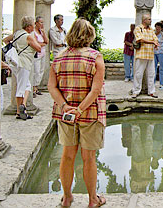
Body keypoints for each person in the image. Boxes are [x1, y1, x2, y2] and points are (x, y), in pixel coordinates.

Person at [48, 18, 107, 208]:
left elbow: (52, 87)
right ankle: (92, 200)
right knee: (89, 157)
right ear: (89, 35)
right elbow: (96, 90)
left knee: (67, 155)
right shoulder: (95, 57)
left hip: (66, 115)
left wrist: (65, 107)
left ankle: (66, 198)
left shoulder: (59, 57)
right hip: (89, 114)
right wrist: (80, 109)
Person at [4, 16, 42, 120]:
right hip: (24, 63)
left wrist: (14, 49)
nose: (34, 27)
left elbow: (5, 40)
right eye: (33, 25)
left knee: (27, 85)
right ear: (29, 26)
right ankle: (20, 109)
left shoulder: (17, 33)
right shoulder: (28, 37)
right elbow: (38, 48)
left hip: (16, 63)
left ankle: (22, 107)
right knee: (21, 87)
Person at [131, 14, 158, 98]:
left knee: (151, 74)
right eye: (149, 19)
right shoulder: (138, 28)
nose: (151, 21)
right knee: (138, 74)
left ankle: (151, 91)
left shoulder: (151, 30)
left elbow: (155, 38)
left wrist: (155, 42)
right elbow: (140, 39)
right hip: (141, 55)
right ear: (144, 20)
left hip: (150, 55)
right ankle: (136, 91)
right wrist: (152, 42)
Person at [32, 16, 49, 97]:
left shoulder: (41, 32)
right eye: (41, 22)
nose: (42, 24)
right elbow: (36, 43)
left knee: (41, 70)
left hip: (43, 53)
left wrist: (43, 32)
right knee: (36, 71)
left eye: (43, 22)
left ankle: (36, 87)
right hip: (37, 54)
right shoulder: (34, 32)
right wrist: (43, 44)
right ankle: (33, 88)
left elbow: (47, 41)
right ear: (36, 23)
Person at [154, 22, 163, 89]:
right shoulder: (153, 34)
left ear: (161, 28)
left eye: (159, 27)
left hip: (162, 52)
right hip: (153, 52)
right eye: (156, 27)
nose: (157, 28)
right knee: (153, 68)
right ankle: (152, 83)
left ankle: (162, 83)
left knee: (162, 68)